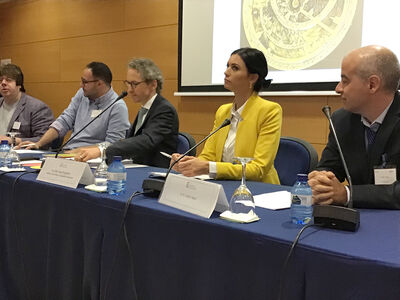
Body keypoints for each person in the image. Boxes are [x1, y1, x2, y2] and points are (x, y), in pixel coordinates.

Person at [308, 45, 400, 209]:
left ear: (372, 84)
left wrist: (347, 194)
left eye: (345, 81)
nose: (338, 89)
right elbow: (330, 168)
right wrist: (320, 180)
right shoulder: (341, 120)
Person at [171, 47, 282, 184]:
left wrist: (208, 167)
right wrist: (187, 163)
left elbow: (258, 169)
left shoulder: (269, 111)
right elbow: (208, 155)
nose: (226, 72)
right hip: (224, 185)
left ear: (252, 78)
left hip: (259, 189)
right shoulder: (223, 111)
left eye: (234, 68)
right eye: (227, 66)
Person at [72, 58, 179, 168]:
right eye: (128, 84)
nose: (129, 90)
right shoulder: (145, 109)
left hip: (155, 173)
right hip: (138, 167)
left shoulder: (164, 110)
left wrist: (102, 151)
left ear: (153, 84)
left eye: (134, 84)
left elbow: (145, 141)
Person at [19, 62, 130, 150]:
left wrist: (79, 151)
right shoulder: (81, 94)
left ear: (99, 83)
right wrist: (38, 144)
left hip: (91, 160)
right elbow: (64, 121)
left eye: (85, 82)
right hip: (68, 153)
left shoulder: (118, 107)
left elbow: (112, 145)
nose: (81, 85)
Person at [0, 63, 54, 145]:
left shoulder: (37, 108)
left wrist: (14, 141)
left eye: (8, 80)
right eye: (0, 80)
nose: (3, 83)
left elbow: (46, 140)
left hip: (22, 155)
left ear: (19, 84)